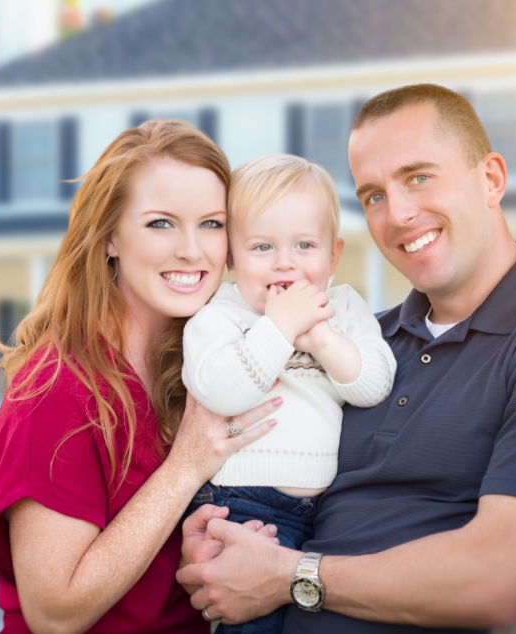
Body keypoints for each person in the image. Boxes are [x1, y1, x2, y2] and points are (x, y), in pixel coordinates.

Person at [177, 83, 516, 633]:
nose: (399, 213)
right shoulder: (361, 340)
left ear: (492, 179)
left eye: (419, 177)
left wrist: (290, 575)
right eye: (374, 195)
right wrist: (219, 541)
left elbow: (501, 583)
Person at [0, 119, 283, 634]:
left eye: (211, 223)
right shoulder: (56, 391)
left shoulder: (209, 369)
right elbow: (55, 612)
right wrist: (185, 469)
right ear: (110, 235)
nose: (192, 250)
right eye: (161, 223)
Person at [181, 154, 396, 633]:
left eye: (304, 245)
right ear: (231, 258)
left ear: (333, 256)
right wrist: (279, 327)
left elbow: (374, 385)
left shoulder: (340, 309)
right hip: (240, 506)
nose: (285, 262)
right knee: (253, 621)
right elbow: (220, 390)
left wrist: (319, 337)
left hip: (323, 513)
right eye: (261, 247)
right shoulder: (220, 314)